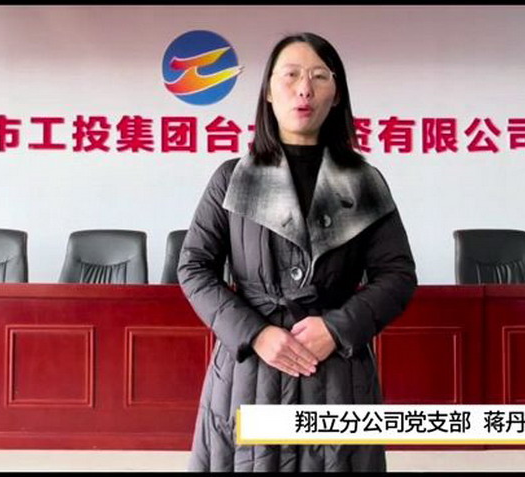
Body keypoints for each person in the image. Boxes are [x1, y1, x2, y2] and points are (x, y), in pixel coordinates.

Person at [177, 32, 417, 472]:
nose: (304, 88)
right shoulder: (232, 178)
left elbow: (397, 275)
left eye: (319, 76)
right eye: (290, 75)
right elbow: (194, 267)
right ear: (268, 91)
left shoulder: (363, 181)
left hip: (337, 370)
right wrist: (255, 333)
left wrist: (337, 328)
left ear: (336, 94)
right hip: (249, 371)